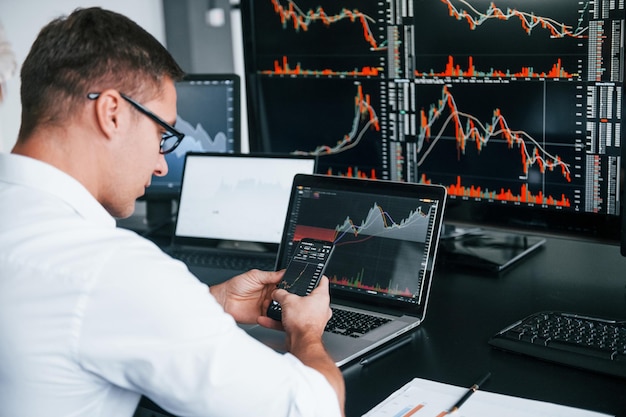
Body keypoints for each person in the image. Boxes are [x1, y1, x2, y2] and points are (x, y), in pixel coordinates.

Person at [0, 7, 344, 417]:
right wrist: (305, 330)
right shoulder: (109, 271)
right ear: (111, 112)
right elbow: (313, 408)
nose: (162, 164)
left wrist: (208, 301)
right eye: (162, 134)